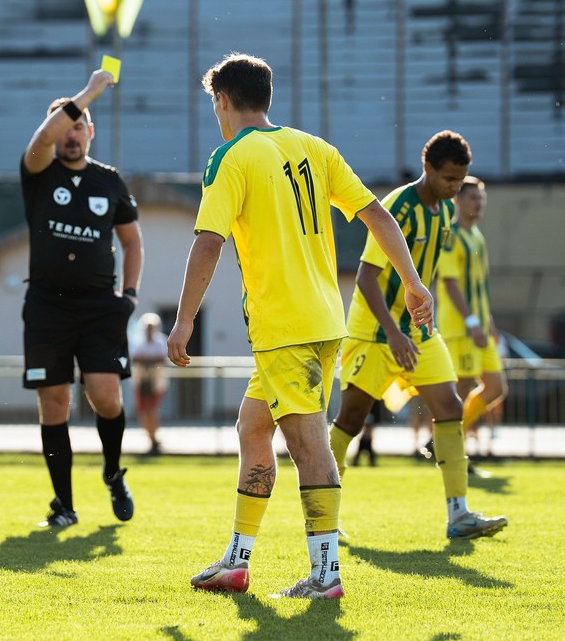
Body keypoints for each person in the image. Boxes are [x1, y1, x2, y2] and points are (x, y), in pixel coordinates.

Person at [167, 53, 434, 599]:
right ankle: (237, 562)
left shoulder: (230, 157)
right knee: (253, 430)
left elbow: (208, 241)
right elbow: (376, 214)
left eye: (213, 103)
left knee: (309, 444)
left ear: (221, 100)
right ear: (267, 97)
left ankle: (326, 575)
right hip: (322, 319)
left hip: (284, 327)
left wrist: (184, 320)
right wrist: (412, 282)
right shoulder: (315, 148)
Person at [329, 131, 508, 540]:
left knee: (450, 406)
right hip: (376, 332)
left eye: (461, 180)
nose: (455, 188)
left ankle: (458, 514)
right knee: (351, 418)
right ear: (428, 168)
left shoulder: (446, 211)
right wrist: (392, 334)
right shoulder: (399, 207)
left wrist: (416, 324)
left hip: (420, 333)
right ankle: (323, 514)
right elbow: (367, 278)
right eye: (449, 179)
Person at [19, 68, 144, 528]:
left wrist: (128, 295)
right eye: (63, 126)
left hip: (98, 306)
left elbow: (133, 242)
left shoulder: (109, 181)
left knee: (105, 397)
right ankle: (64, 506)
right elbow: (41, 139)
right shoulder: (36, 170)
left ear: (90, 131)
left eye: (79, 125)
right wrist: (90, 91)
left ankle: (113, 473)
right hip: (47, 305)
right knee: (54, 402)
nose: (70, 134)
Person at [436, 176, 507, 475]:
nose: (478, 203)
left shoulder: (476, 236)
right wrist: (473, 321)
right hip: (462, 329)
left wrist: (488, 323)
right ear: (458, 201)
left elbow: (479, 287)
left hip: (479, 327)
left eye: (481, 198)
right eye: (472, 198)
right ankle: (451, 452)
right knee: (461, 389)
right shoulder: (451, 235)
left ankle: (445, 441)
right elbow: (449, 283)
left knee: (495, 387)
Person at [131, 313, 169, 455]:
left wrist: (146, 359)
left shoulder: (160, 341)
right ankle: (150, 437)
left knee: (152, 409)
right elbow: (135, 358)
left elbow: (162, 358)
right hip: (141, 380)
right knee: (143, 410)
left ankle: (153, 436)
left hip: (155, 381)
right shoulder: (138, 341)